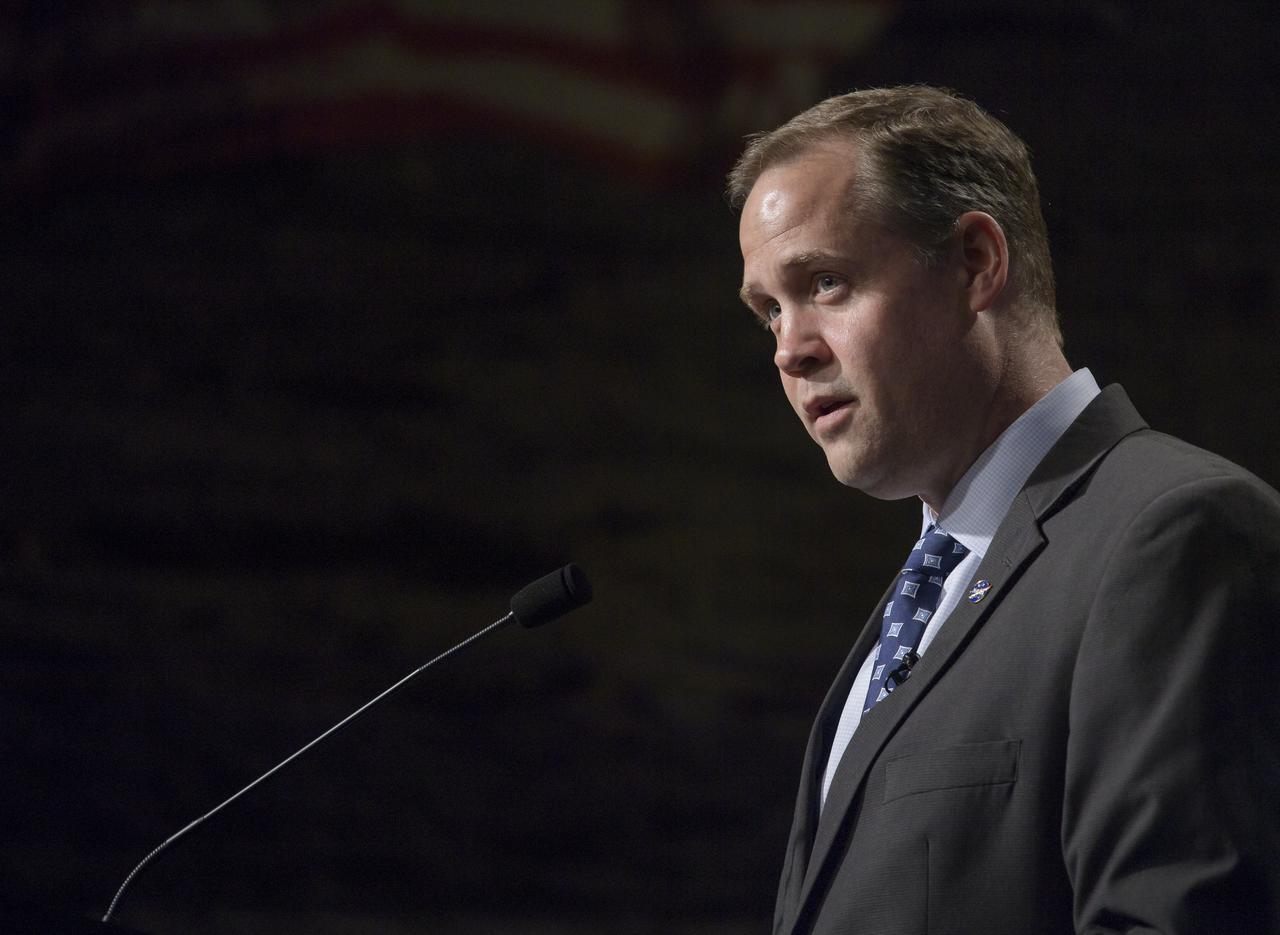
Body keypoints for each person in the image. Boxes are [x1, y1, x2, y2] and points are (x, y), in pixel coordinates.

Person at [727, 85, 1280, 935]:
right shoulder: (914, 608)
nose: (790, 350)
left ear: (978, 263)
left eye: (826, 283)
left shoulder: (1175, 535)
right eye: (769, 311)